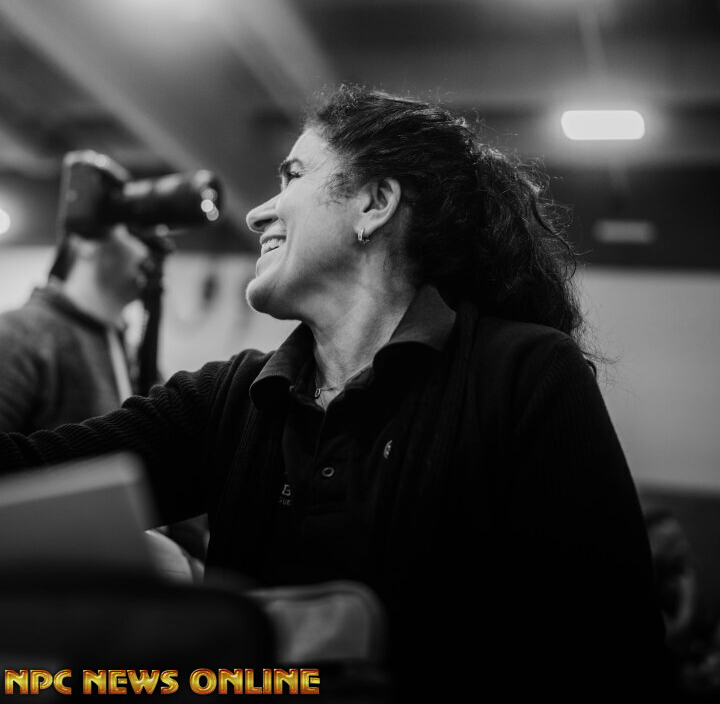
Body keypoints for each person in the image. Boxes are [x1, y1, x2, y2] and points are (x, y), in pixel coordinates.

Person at [0, 86, 666, 699]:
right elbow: (21, 474)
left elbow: (616, 653)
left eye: (292, 176)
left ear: (374, 204)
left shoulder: (522, 373)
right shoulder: (229, 398)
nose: (257, 212)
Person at [0, 224, 153, 432]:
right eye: (137, 233)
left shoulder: (133, 353)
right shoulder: (17, 334)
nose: (152, 249)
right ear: (86, 241)